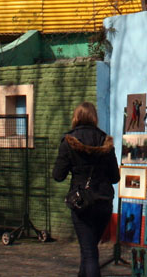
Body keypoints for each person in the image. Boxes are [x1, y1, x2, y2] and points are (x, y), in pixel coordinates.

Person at [52, 102, 120, 277]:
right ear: (94, 118)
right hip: (104, 203)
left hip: (81, 203)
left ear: (76, 117)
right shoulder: (106, 141)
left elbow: (58, 175)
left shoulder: (68, 142)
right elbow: (115, 177)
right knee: (88, 249)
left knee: (89, 253)